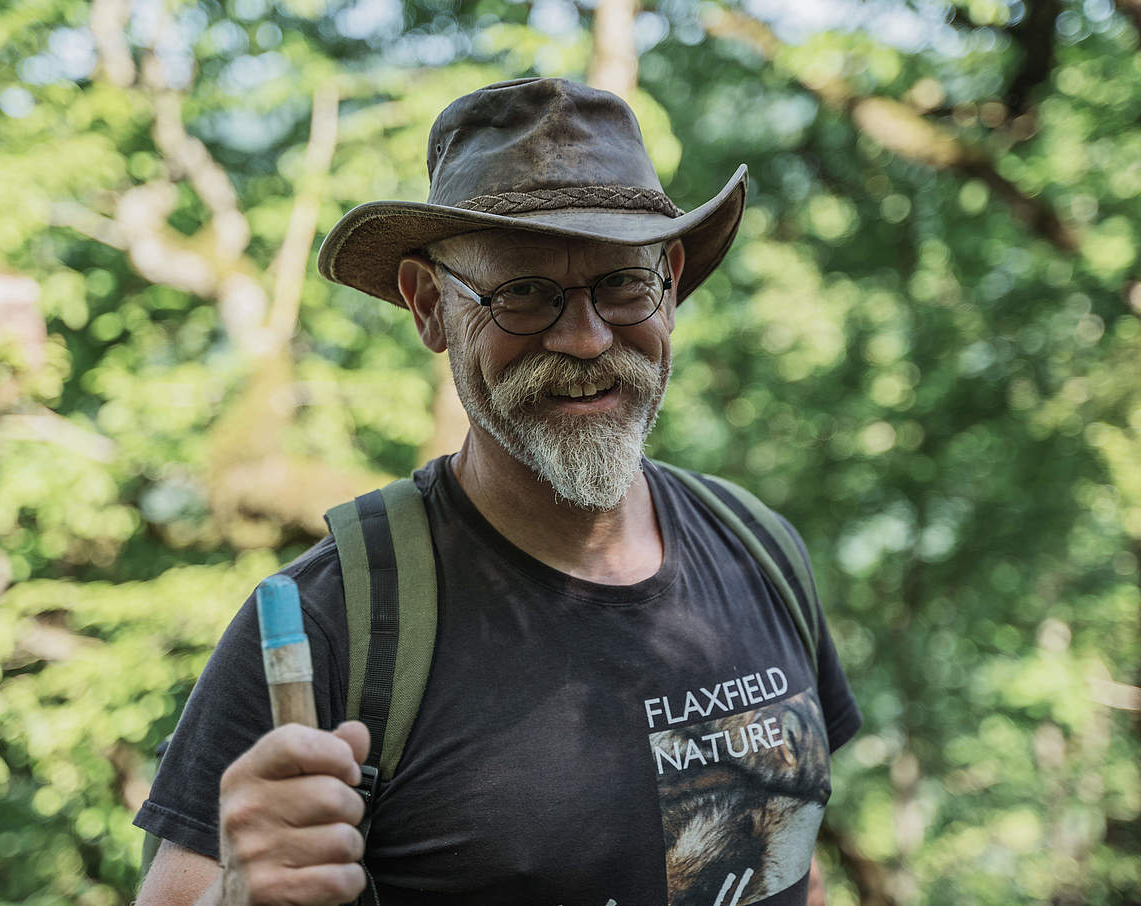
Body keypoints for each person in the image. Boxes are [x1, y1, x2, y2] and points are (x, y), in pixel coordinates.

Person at [134, 77, 861, 906]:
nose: (585, 339)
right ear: (430, 306)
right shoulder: (333, 626)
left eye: (623, 283)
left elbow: (795, 857)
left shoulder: (758, 547)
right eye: (522, 294)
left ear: (671, 280)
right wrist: (239, 896)